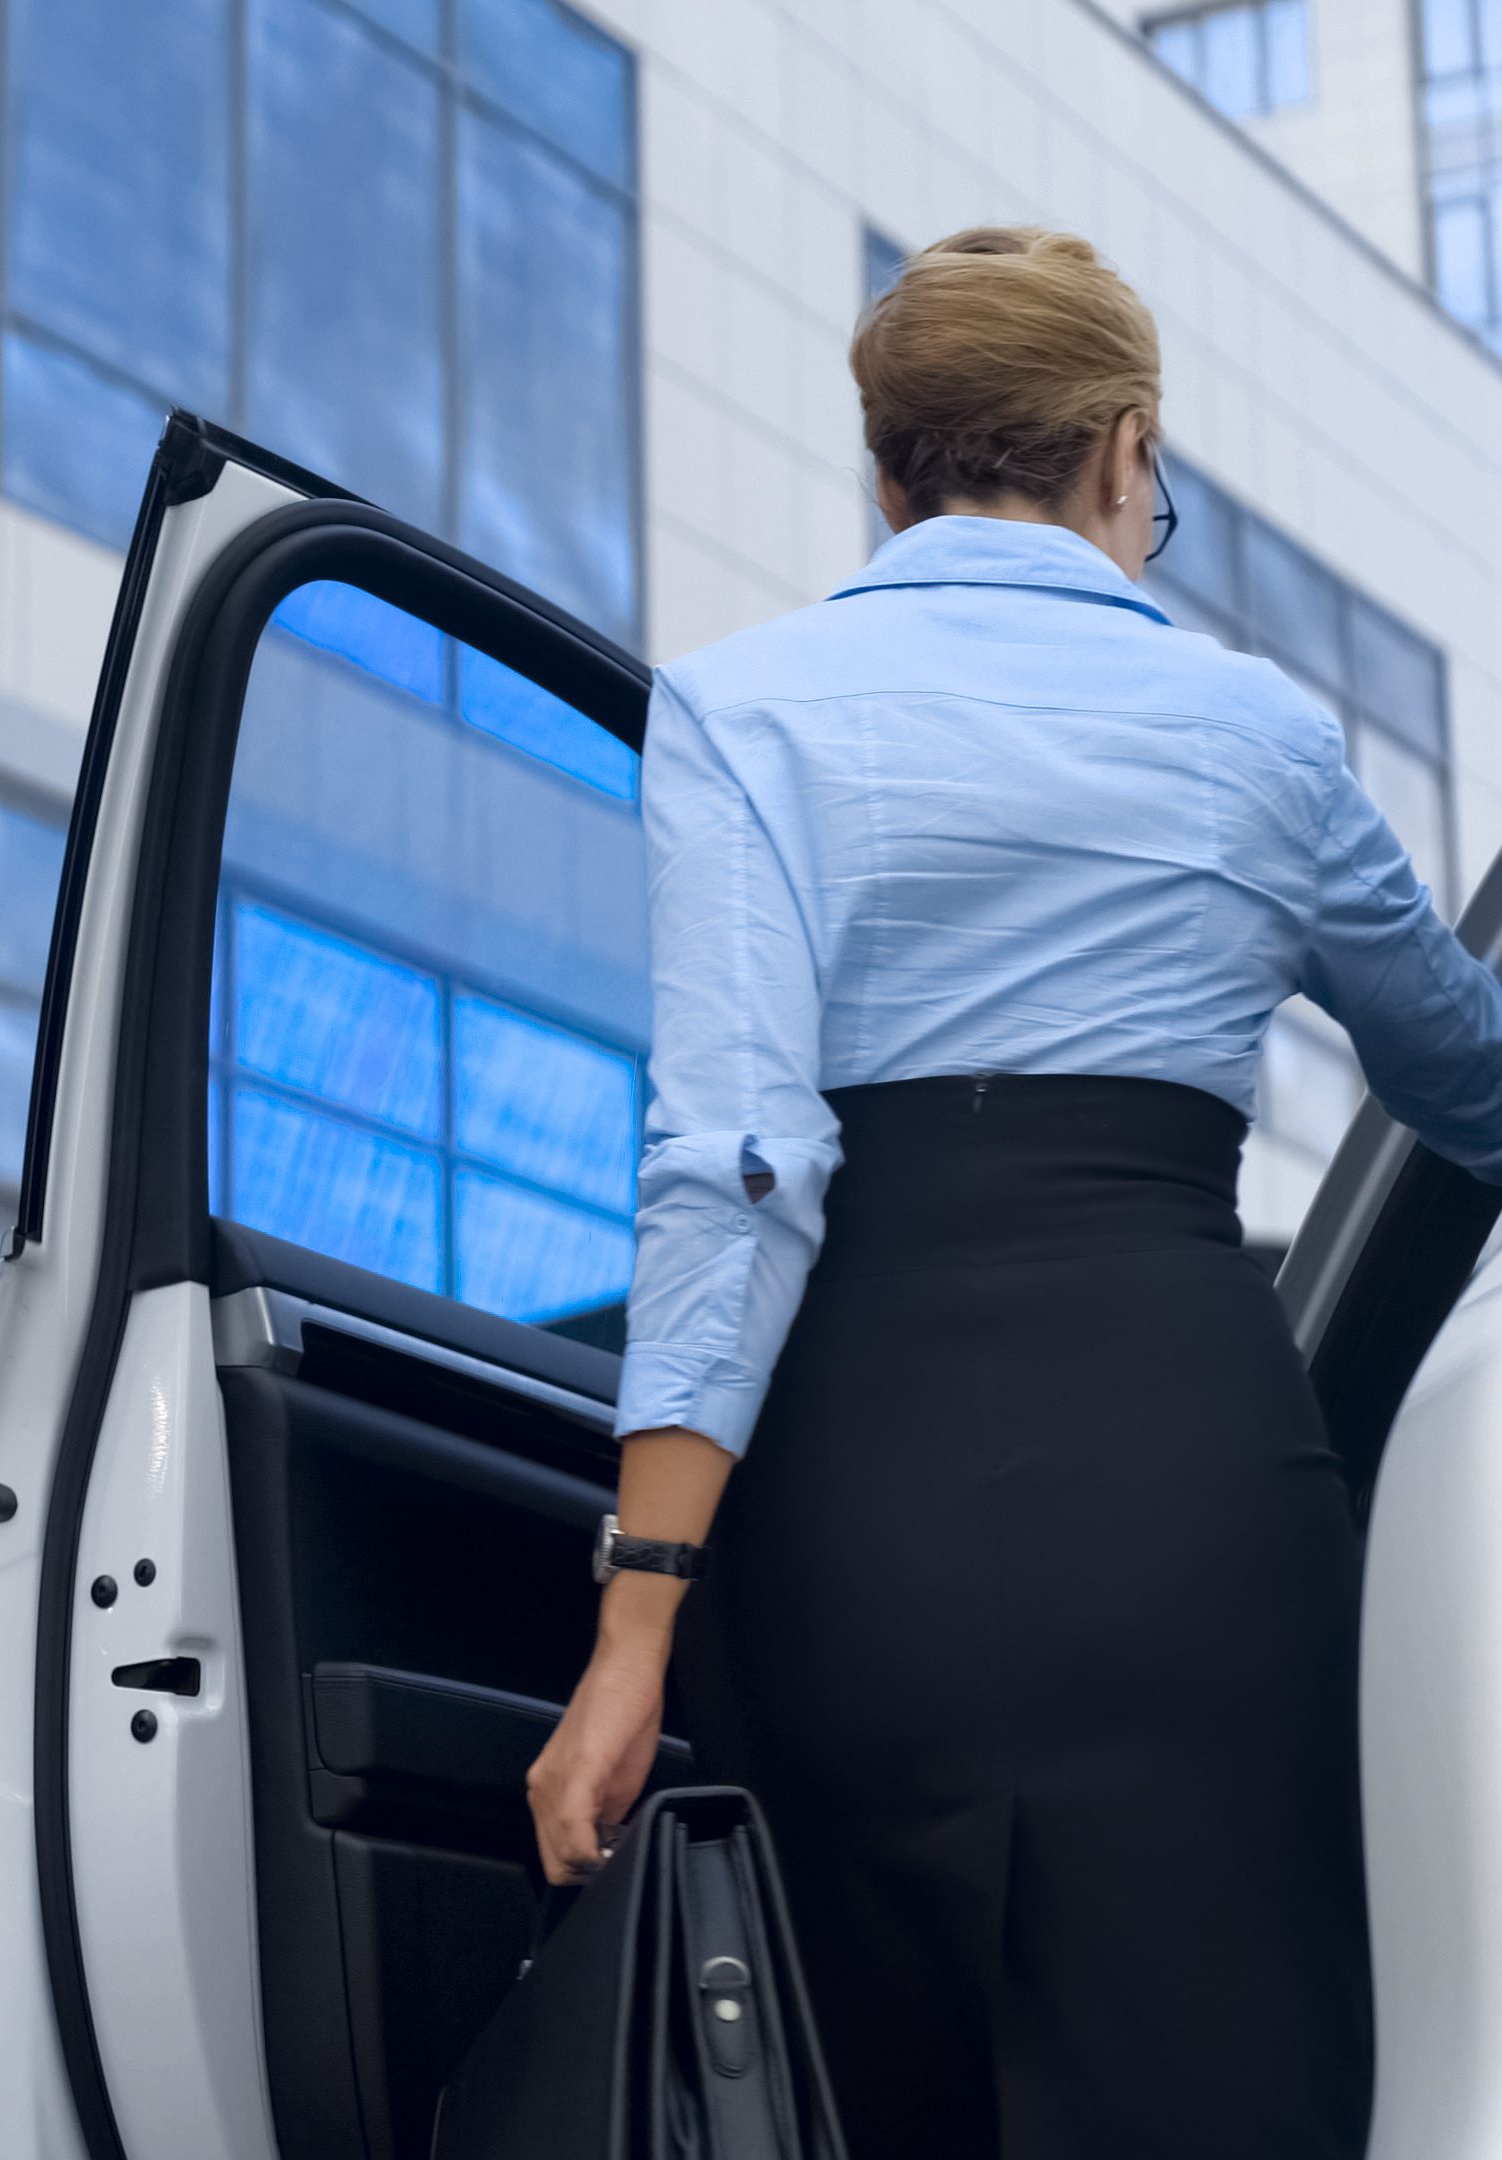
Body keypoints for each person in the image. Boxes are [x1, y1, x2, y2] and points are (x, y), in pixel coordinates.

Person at [526, 228, 1502, 2160]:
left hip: (858, 1512)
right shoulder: (1262, 740)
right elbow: (1471, 1083)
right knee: (1229, 2068)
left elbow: (734, 1168)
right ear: (1129, 452)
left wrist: (636, 1622)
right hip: (1194, 1505)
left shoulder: (745, 713)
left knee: (883, 2089)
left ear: (885, 474)